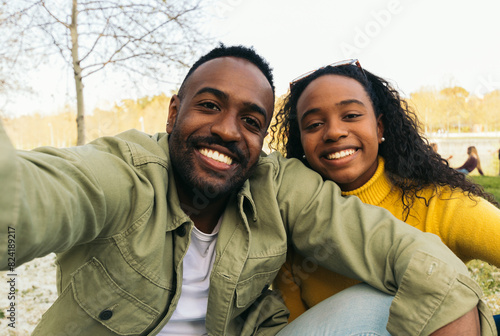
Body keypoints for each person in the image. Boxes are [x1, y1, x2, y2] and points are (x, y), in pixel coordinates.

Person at [0, 47, 495, 335]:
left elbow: (393, 245)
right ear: (174, 113)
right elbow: (38, 195)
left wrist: (452, 302)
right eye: (210, 105)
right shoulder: (125, 172)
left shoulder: (276, 184)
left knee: (403, 294)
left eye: (251, 121)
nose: (229, 132)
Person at [270, 59, 500, 333]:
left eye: (351, 115)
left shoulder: (441, 204)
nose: (334, 132)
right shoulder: (293, 224)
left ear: (380, 128)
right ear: (301, 142)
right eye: (314, 124)